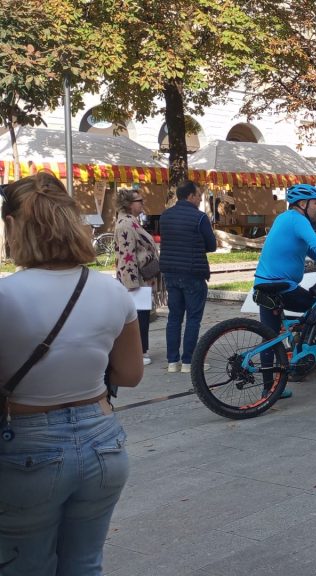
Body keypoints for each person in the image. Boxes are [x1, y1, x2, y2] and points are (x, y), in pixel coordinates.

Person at [0, 172, 144, 575]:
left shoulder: (6, 296)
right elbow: (130, 374)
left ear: (12, 225)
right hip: (103, 442)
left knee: (24, 566)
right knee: (84, 563)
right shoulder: (112, 291)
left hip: (26, 446)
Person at [254, 184, 316, 398]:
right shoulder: (298, 219)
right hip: (281, 285)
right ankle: (302, 352)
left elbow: (309, 249)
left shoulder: (285, 218)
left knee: (270, 337)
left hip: (264, 284)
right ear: (303, 204)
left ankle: (269, 390)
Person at [160, 181, 217, 373]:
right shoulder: (200, 217)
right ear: (190, 196)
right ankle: (188, 361)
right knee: (193, 318)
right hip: (193, 272)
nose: (200, 199)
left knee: (174, 317)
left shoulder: (165, 216)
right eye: (199, 195)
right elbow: (212, 245)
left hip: (170, 272)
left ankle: (172, 361)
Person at [114, 188, 161, 366]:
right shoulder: (125, 224)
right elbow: (127, 255)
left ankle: (140, 350)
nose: (143, 203)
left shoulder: (131, 221)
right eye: (139, 201)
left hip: (140, 279)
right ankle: (139, 352)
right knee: (139, 318)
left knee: (142, 316)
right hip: (135, 281)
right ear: (129, 204)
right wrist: (131, 284)